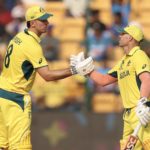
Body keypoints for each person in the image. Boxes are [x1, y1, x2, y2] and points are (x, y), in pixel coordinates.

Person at [0, 6, 94, 150]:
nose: (47, 22)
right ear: (32, 23)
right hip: (16, 99)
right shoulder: (32, 45)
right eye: (42, 20)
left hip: (2, 95)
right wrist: (75, 70)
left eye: (47, 19)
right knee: (20, 147)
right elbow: (47, 76)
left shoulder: (18, 37)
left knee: (3, 145)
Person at [71, 25, 150, 150]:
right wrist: (85, 69)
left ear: (130, 38)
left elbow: (146, 79)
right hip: (129, 115)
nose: (119, 36)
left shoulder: (139, 55)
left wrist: (143, 103)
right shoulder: (123, 61)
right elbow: (104, 80)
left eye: (122, 34)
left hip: (140, 111)